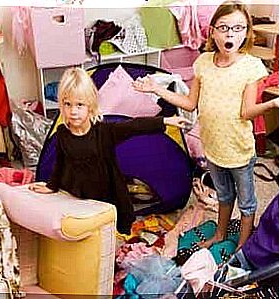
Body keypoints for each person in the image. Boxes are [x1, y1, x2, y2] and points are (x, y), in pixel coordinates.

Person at [133, 0, 279, 249]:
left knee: (246, 203)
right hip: (212, 147)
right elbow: (190, 103)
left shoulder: (250, 66)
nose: (230, 34)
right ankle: (221, 234)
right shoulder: (203, 62)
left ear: (246, 32)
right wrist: (156, 88)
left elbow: (246, 112)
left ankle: (242, 246)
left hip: (239, 150)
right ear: (213, 31)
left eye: (238, 28)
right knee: (224, 196)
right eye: (224, 27)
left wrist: (274, 103)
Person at [29, 67, 191, 234]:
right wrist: (51, 186)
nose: (73, 111)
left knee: (109, 231)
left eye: (79, 105)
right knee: (86, 231)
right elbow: (60, 164)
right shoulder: (62, 133)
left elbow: (133, 126)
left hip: (106, 194)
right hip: (80, 193)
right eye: (67, 104)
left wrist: (166, 120)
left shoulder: (103, 131)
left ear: (90, 106)